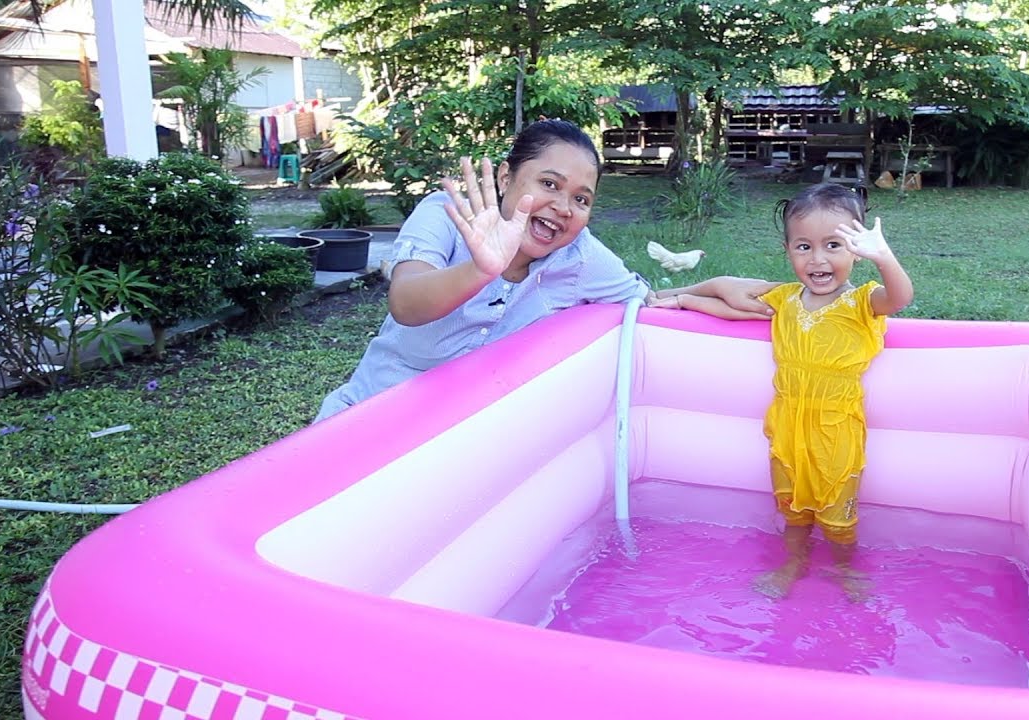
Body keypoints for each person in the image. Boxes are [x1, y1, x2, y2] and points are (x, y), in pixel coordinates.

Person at [315, 119, 775, 422]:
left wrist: (714, 287)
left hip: (456, 442)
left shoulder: (579, 256)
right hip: (369, 420)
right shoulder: (448, 214)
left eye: (581, 198)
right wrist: (480, 269)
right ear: (505, 179)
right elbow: (406, 302)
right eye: (548, 184)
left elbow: (645, 303)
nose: (562, 207)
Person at [654, 183, 914, 600]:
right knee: (792, 506)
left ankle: (845, 568)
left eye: (834, 245)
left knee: (837, 508)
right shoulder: (787, 299)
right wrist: (683, 299)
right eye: (804, 247)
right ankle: (792, 562)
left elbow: (901, 297)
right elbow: (734, 309)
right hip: (788, 425)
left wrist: (883, 256)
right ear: (788, 249)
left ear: (856, 248)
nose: (818, 259)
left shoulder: (863, 303)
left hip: (836, 427)